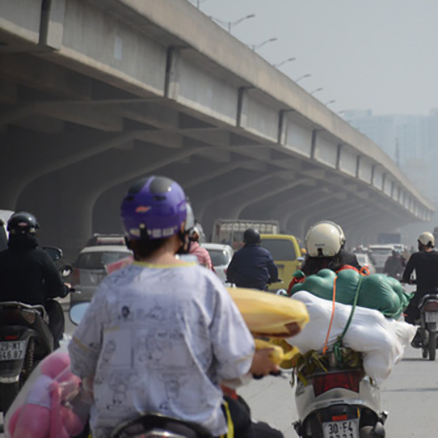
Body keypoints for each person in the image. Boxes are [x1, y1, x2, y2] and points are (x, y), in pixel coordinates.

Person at [68, 176, 281, 438]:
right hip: (197, 427)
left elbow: (79, 361)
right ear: (183, 226)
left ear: (129, 232)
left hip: (114, 429)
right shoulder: (205, 285)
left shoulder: (111, 287)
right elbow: (235, 365)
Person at [0, 212, 70, 345]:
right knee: (54, 308)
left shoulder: (2, 258)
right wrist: (64, 289)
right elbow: (56, 287)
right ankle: (53, 349)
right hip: (33, 311)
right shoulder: (41, 256)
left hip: (3, 312)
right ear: (34, 232)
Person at [401, 232, 438, 337]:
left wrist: (409, 281)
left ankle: (410, 331)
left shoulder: (416, 257)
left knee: (409, 308)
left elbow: (406, 276)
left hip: (422, 292)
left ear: (421, 243)